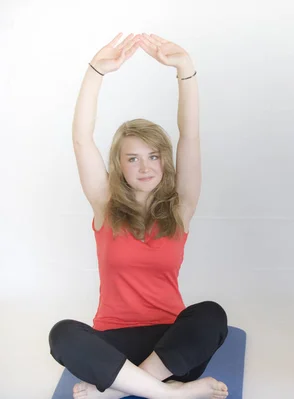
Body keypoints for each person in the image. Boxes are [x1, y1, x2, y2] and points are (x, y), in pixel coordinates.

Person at [48, 33, 229, 399]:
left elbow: (189, 135)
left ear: (165, 160)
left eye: (153, 156)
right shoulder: (105, 206)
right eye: (133, 158)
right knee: (62, 334)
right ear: (119, 166)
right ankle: (172, 393)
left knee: (211, 314)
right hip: (112, 344)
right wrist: (96, 72)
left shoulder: (181, 207)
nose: (145, 167)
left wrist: (186, 69)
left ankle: (119, 390)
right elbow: (82, 139)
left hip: (172, 346)